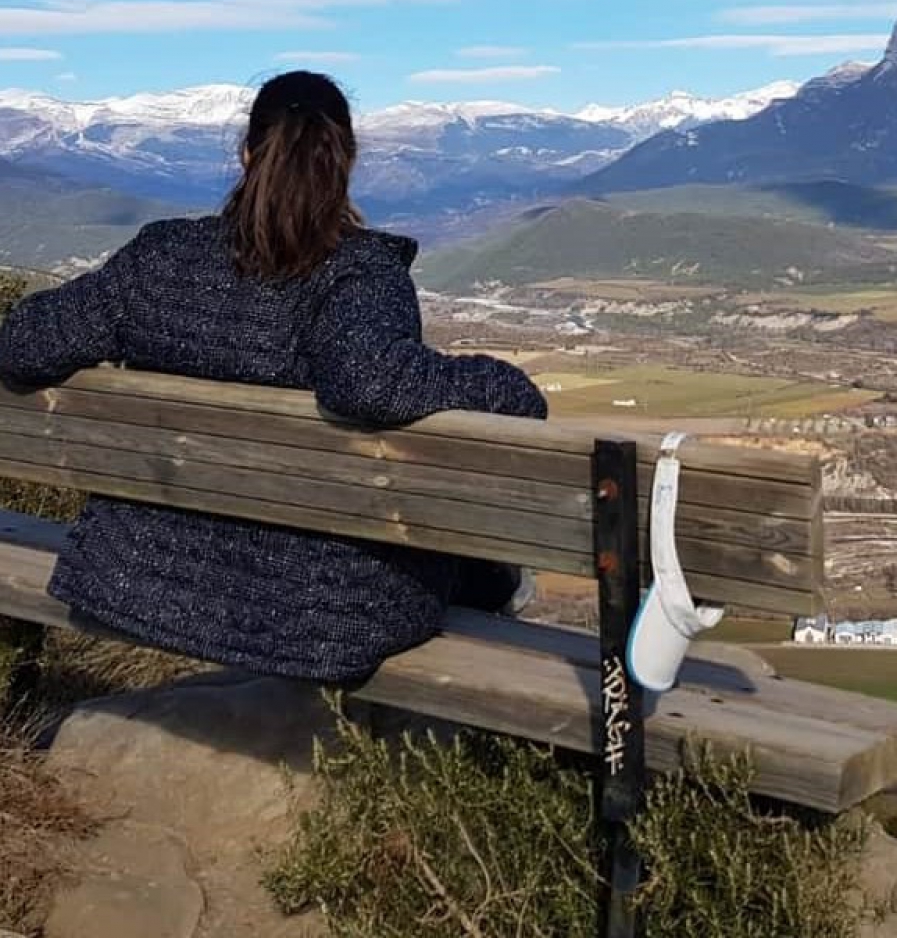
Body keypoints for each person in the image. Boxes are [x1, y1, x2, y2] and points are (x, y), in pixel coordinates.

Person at [0, 70, 547, 682]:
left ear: (244, 154)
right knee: (484, 570)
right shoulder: (357, 275)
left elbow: (24, 345)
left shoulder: (160, 257)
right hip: (325, 610)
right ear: (348, 162)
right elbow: (367, 379)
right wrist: (508, 388)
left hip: (141, 574)